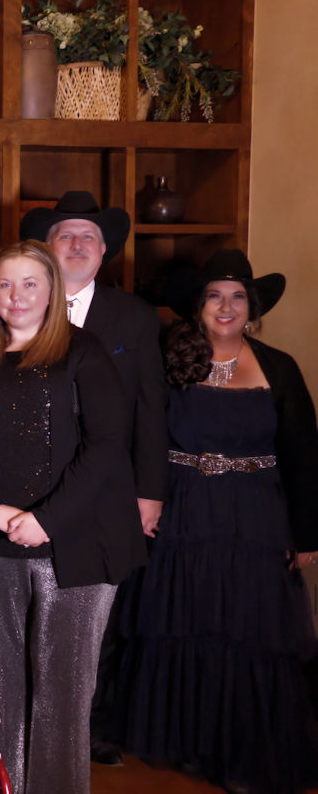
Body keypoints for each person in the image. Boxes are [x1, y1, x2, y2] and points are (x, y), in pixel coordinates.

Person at [0, 241, 144, 794]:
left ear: (51, 291)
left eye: (30, 283)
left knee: (61, 696)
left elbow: (106, 445)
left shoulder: (83, 351)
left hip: (75, 545)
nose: (17, 295)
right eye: (5, 284)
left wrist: (46, 520)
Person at [120, 249, 318, 793]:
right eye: (214, 296)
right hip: (182, 513)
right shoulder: (167, 359)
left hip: (256, 517)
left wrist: (306, 534)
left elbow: (303, 452)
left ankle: (243, 755)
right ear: (198, 305)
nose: (226, 307)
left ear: (252, 307)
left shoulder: (279, 367)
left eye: (237, 297)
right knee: (188, 625)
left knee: (248, 631)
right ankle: (191, 744)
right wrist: (144, 499)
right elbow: (142, 436)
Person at [19, 190, 168, 764]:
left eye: (88, 237)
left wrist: (149, 492)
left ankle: (90, 728)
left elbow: (150, 409)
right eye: (66, 235)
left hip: (109, 490)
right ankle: (31, 725)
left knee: (97, 614)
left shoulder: (135, 316)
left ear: (105, 251)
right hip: (34, 487)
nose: (77, 245)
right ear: (47, 248)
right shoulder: (20, 304)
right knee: (35, 612)